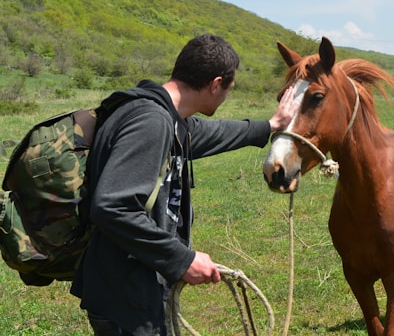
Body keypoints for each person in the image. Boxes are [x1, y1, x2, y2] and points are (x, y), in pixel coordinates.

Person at [70, 34, 298, 335]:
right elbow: (112, 206)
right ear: (216, 84)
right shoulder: (150, 121)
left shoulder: (165, 117)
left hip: (132, 288)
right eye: (228, 89)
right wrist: (182, 259)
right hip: (126, 298)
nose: (226, 95)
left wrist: (270, 126)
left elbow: (211, 132)